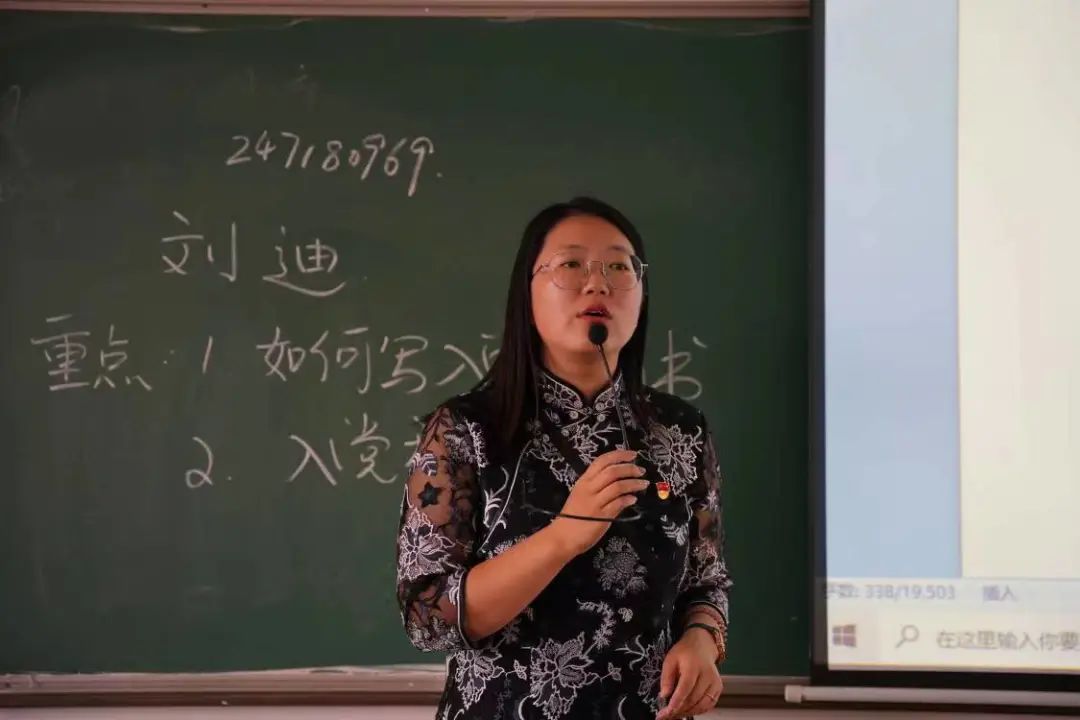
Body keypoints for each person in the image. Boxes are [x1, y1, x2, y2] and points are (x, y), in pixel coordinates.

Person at [395, 197, 732, 720]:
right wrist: (564, 535)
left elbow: (706, 581)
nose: (597, 284)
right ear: (526, 291)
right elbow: (428, 617)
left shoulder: (680, 431)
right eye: (571, 264)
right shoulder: (464, 430)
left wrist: (701, 641)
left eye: (619, 267)